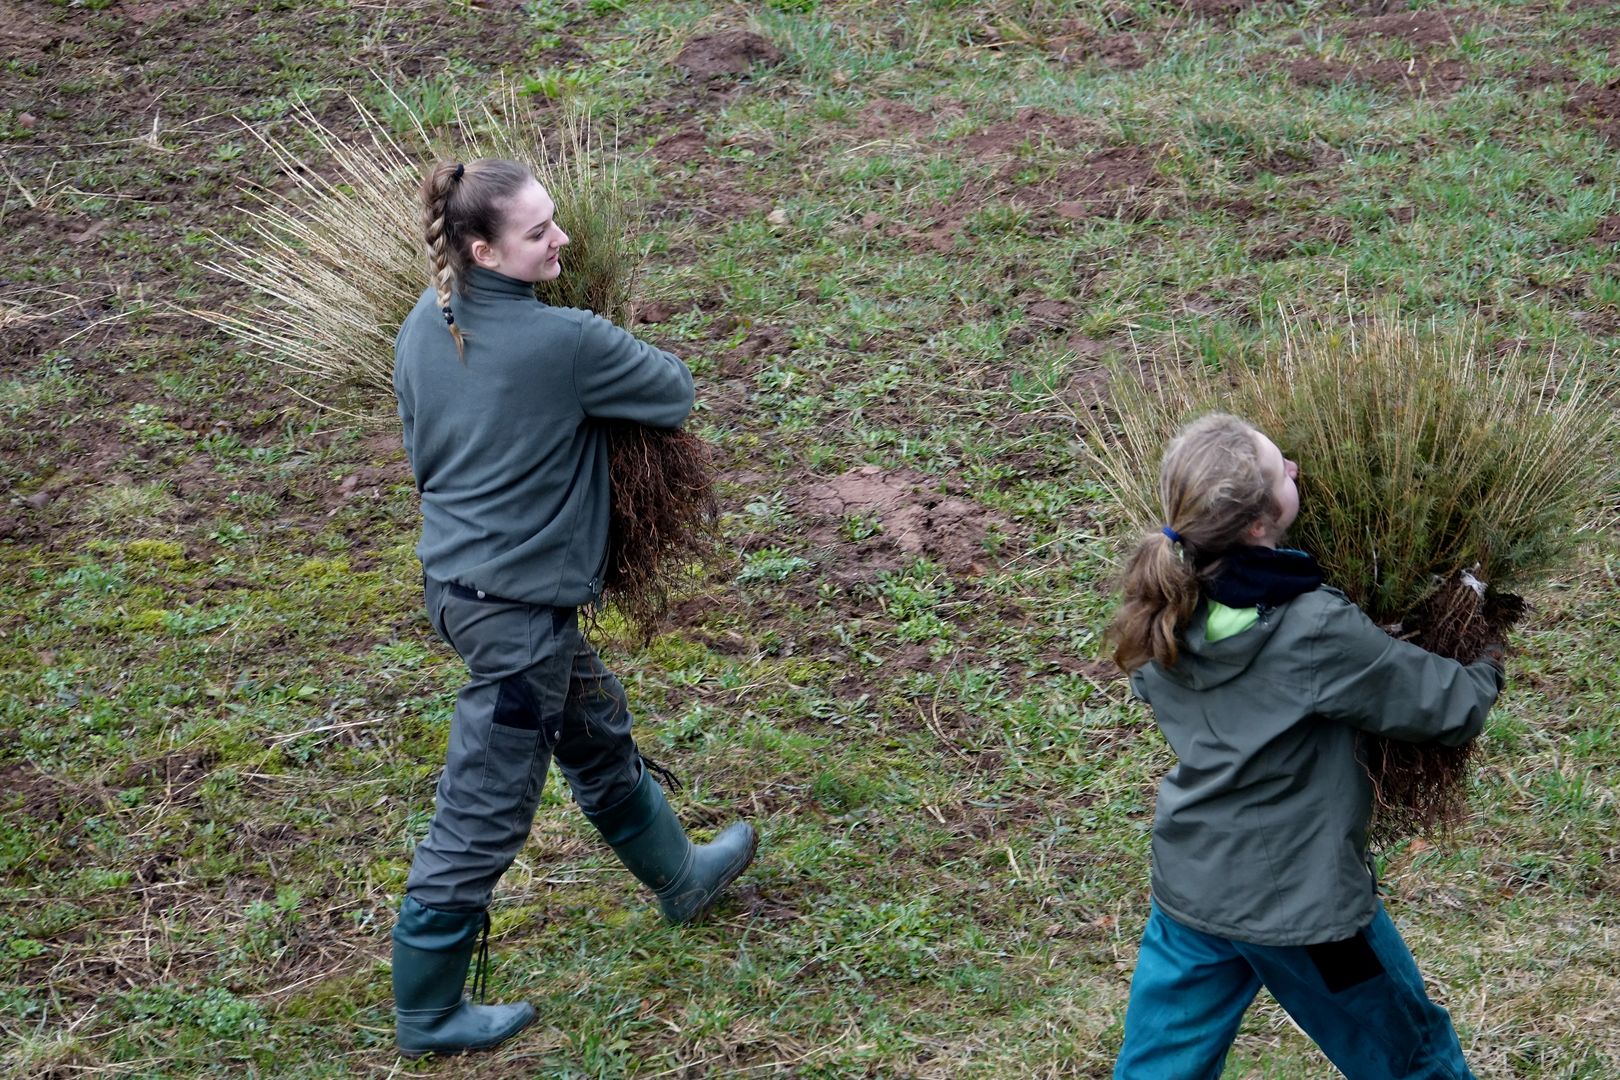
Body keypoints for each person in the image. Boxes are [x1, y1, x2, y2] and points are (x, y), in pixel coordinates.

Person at [388, 157, 758, 1058]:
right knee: (485, 801)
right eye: (539, 232)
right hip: (515, 613)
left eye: (556, 221)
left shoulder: (420, 324)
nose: (563, 240)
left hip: (459, 589)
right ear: (484, 248)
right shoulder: (567, 342)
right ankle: (428, 1009)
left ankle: (681, 876)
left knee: (590, 721)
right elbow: (672, 390)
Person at [1109, 413, 1502, 1079]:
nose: (1295, 468)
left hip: (1193, 892)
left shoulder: (1159, 604)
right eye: (1279, 470)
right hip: (1309, 913)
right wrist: (1483, 637)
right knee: (1412, 1057)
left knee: (1160, 1070)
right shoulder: (1313, 627)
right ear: (1261, 525)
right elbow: (1449, 705)